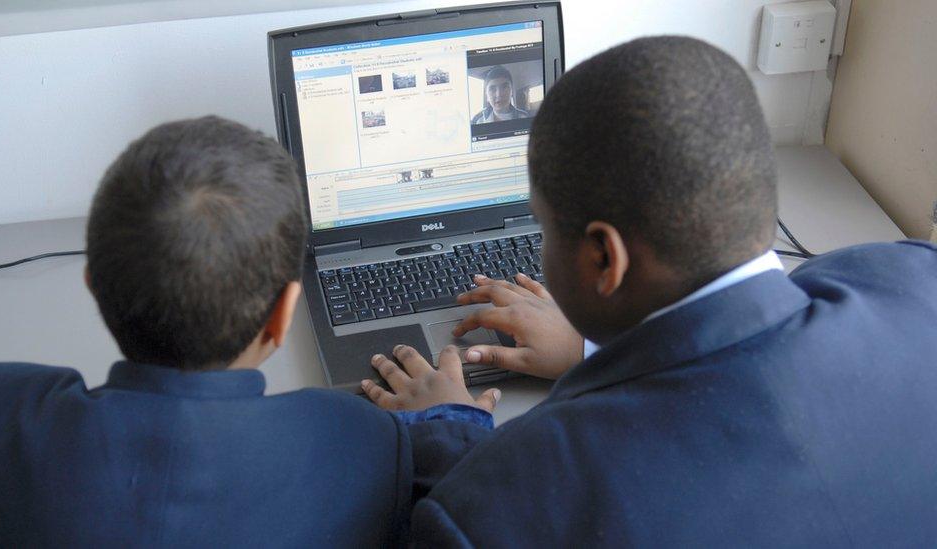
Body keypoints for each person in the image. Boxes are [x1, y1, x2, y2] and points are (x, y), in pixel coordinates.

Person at [362, 36, 937, 546]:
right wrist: (597, 347)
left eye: (542, 225)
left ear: (604, 258)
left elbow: (500, 513)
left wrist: (448, 437)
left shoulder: (504, 502)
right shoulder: (914, 278)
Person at [0, 116, 499, 546]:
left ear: (94, 286)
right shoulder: (360, 439)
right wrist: (455, 422)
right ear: (283, 314)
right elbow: (477, 518)